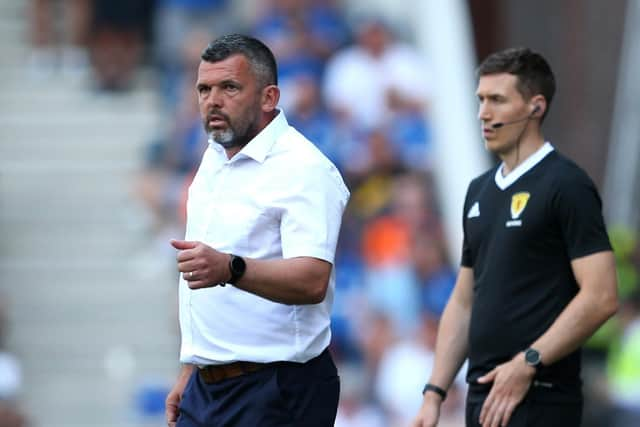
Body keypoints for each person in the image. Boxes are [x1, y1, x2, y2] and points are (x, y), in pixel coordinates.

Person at [411, 47, 618, 427]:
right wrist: (434, 394)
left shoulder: (567, 185)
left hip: (540, 395)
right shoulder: (479, 192)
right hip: (482, 398)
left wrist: (528, 362)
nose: (483, 114)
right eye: (480, 100)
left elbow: (601, 296)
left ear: (535, 107)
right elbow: (463, 301)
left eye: (497, 100)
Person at [164, 34, 350, 427]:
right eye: (204, 89)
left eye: (229, 87)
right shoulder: (214, 156)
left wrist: (231, 268)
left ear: (269, 97)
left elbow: (312, 279)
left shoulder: (304, 169)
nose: (213, 100)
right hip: (207, 386)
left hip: (276, 387)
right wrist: (193, 364)